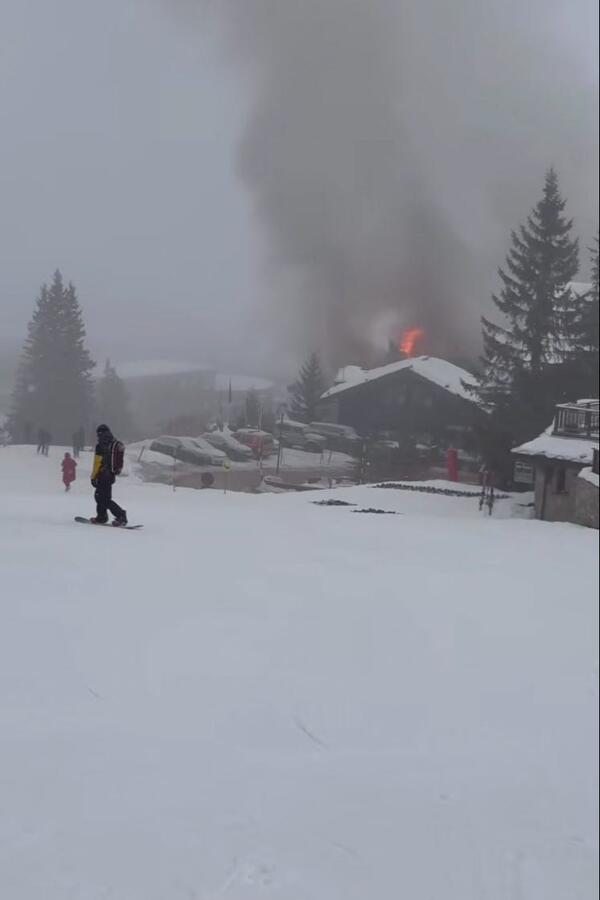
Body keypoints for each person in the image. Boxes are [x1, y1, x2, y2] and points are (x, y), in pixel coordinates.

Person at [90, 424, 127, 526]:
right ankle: (102, 516)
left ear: (99, 433)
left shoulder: (101, 445)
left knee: (102, 498)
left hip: (103, 475)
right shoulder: (113, 442)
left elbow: (97, 462)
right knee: (101, 497)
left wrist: (93, 477)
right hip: (110, 475)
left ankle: (121, 515)